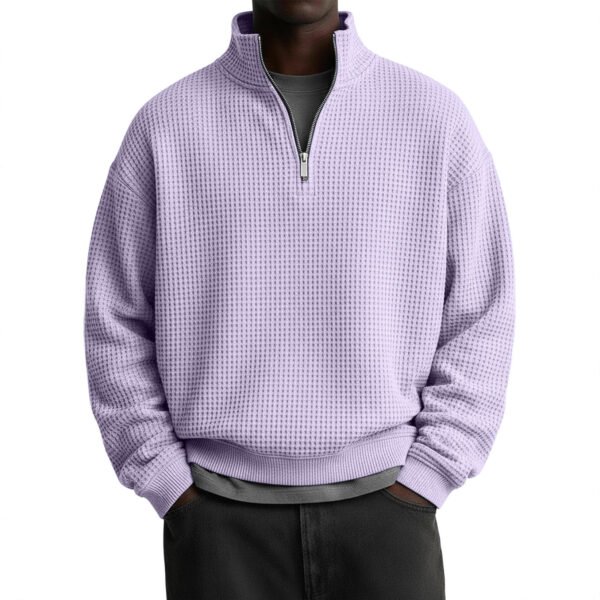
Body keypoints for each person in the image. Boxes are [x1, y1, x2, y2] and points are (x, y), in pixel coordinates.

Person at [84, 2, 515, 599]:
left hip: (389, 508)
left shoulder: (433, 118)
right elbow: (115, 316)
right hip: (215, 516)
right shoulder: (167, 124)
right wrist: (164, 478)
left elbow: (482, 310)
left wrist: (432, 471)